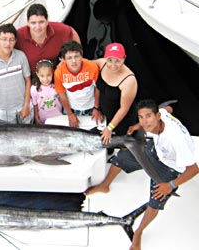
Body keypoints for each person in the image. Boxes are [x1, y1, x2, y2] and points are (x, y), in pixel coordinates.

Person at [85, 99, 199, 250]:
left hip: (171, 168)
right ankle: (104, 185)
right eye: (141, 117)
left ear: (157, 116)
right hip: (158, 151)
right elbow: (167, 108)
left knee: (155, 201)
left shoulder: (175, 139)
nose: (145, 122)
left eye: (148, 116)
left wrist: (170, 185)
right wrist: (138, 125)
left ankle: (138, 232)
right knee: (122, 156)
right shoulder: (161, 114)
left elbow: (193, 169)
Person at [0, 3, 80, 77]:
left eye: (41, 22)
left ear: (47, 21)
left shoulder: (59, 29)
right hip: (31, 77)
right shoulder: (18, 35)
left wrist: (77, 57)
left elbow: (72, 32)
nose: (37, 27)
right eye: (33, 23)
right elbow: (0, 46)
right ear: (28, 23)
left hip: (55, 73)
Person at [93, 42, 138, 144]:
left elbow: (124, 108)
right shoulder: (101, 63)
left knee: (121, 143)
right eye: (109, 60)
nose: (113, 65)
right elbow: (83, 64)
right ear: (105, 58)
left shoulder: (129, 80)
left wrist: (110, 128)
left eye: (117, 61)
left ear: (124, 58)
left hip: (122, 121)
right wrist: (96, 107)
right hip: (104, 114)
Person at [54, 40, 102, 127]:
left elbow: (97, 88)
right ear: (63, 59)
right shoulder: (58, 72)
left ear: (81, 55)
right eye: (69, 58)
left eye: (76, 56)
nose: (73, 61)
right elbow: (62, 94)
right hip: (71, 108)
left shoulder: (92, 67)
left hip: (91, 107)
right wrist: (70, 114)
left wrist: (97, 108)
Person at [30, 59, 62, 124]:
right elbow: (35, 104)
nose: (46, 79)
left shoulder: (57, 85)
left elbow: (62, 99)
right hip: (43, 119)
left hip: (58, 117)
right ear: (37, 74)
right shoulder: (34, 88)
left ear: (53, 72)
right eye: (42, 76)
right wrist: (36, 117)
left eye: (48, 75)